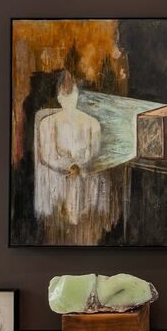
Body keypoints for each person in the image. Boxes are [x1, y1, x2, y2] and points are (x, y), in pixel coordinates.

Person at [34, 71, 102, 226]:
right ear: (59, 97)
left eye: (73, 93)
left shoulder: (93, 124)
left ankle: (78, 218)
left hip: (85, 177)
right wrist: (68, 165)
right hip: (59, 178)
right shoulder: (47, 123)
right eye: (65, 94)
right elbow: (46, 155)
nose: (70, 98)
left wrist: (80, 165)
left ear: (77, 94)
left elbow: (95, 152)